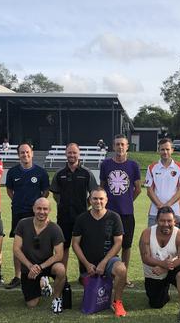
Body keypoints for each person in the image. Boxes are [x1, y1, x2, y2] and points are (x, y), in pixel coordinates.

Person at [72, 187, 128, 317]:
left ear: (106, 200)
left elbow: (118, 242)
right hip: (88, 264)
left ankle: (117, 302)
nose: (98, 201)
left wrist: (104, 262)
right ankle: (91, 281)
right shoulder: (82, 218)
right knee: (92, 295)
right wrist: (86, 264)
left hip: (108, 261)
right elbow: (75, 244)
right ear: (90, 200)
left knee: (121, 269)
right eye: (95, 198)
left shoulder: (114, 217)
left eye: (101, 198)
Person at [4, 142, 50, 289]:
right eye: (22, 152)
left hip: (36, 214)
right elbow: (9, 190)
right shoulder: (12, 172)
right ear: (18, 155)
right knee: (18, 244)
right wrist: (18, 201)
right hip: (18, 212)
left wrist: (36, 207)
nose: (25, 155)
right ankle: (17, 276)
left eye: (27, 152)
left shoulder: (41, 172)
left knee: (38, 243)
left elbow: (45, 192)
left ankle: (41, 274)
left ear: (32, 153)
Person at [100, 134, 142, 287]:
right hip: (109, 213)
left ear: (127, 146)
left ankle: (123, 276)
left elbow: (138, 189)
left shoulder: (133, 165)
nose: (120, 147)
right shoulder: (105, 164)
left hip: (126, 213)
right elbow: (102, 187)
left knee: (126, 245)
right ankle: (108, 273)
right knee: (108, 245)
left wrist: (127, 201)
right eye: (117, 144)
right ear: (113, 146)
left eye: (122, 144)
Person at [50, 143, 98, 273]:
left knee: (82, 247)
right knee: (63, 247)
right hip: (63, 217)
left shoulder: (87, 173)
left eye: (74, 152)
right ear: (66, 154)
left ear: (79, 154)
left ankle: (83, 274)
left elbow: (94, 193)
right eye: (69, 152)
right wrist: (62, 205)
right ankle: (62, 274)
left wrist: (85, 205)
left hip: (82, 217)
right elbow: (55, 194)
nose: (72, 155)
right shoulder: (59, 174)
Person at [13, 197, 66, 313]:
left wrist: (40, 267)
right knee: (31, 304)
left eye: (45, 209)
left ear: (50, 210)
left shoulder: (55, 228)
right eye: (39, 208)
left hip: (46, 265)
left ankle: (56, 298)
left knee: (61, 269)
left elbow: (59, 255)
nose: (42, 212)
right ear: (33, 209)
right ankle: (43, 284)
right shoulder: (23, 224)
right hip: (29, 267)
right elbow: (16, 249)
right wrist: (30, 266)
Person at [139, 206, 180, 322]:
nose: (166, 224)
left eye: (169, 221)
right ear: (157, 221)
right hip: (154, 271)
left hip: (173, 267)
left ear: (175, 221)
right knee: (156, 304)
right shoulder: (147, 233)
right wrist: (163, 264)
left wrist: (165, 267)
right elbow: (145, 258)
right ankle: (164, 291)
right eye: (162, 221)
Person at [145, 138, 180, 228]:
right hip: (155, 213)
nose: (165, 152)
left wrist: (167, 205)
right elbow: (149, 191)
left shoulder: (179, 167)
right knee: (153, 241)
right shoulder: (152, 167)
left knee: (174, 241)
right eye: (162, 149)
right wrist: (160, 206)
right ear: (159, 150)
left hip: (175, 212)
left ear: (172, 150)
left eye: (167, 149)